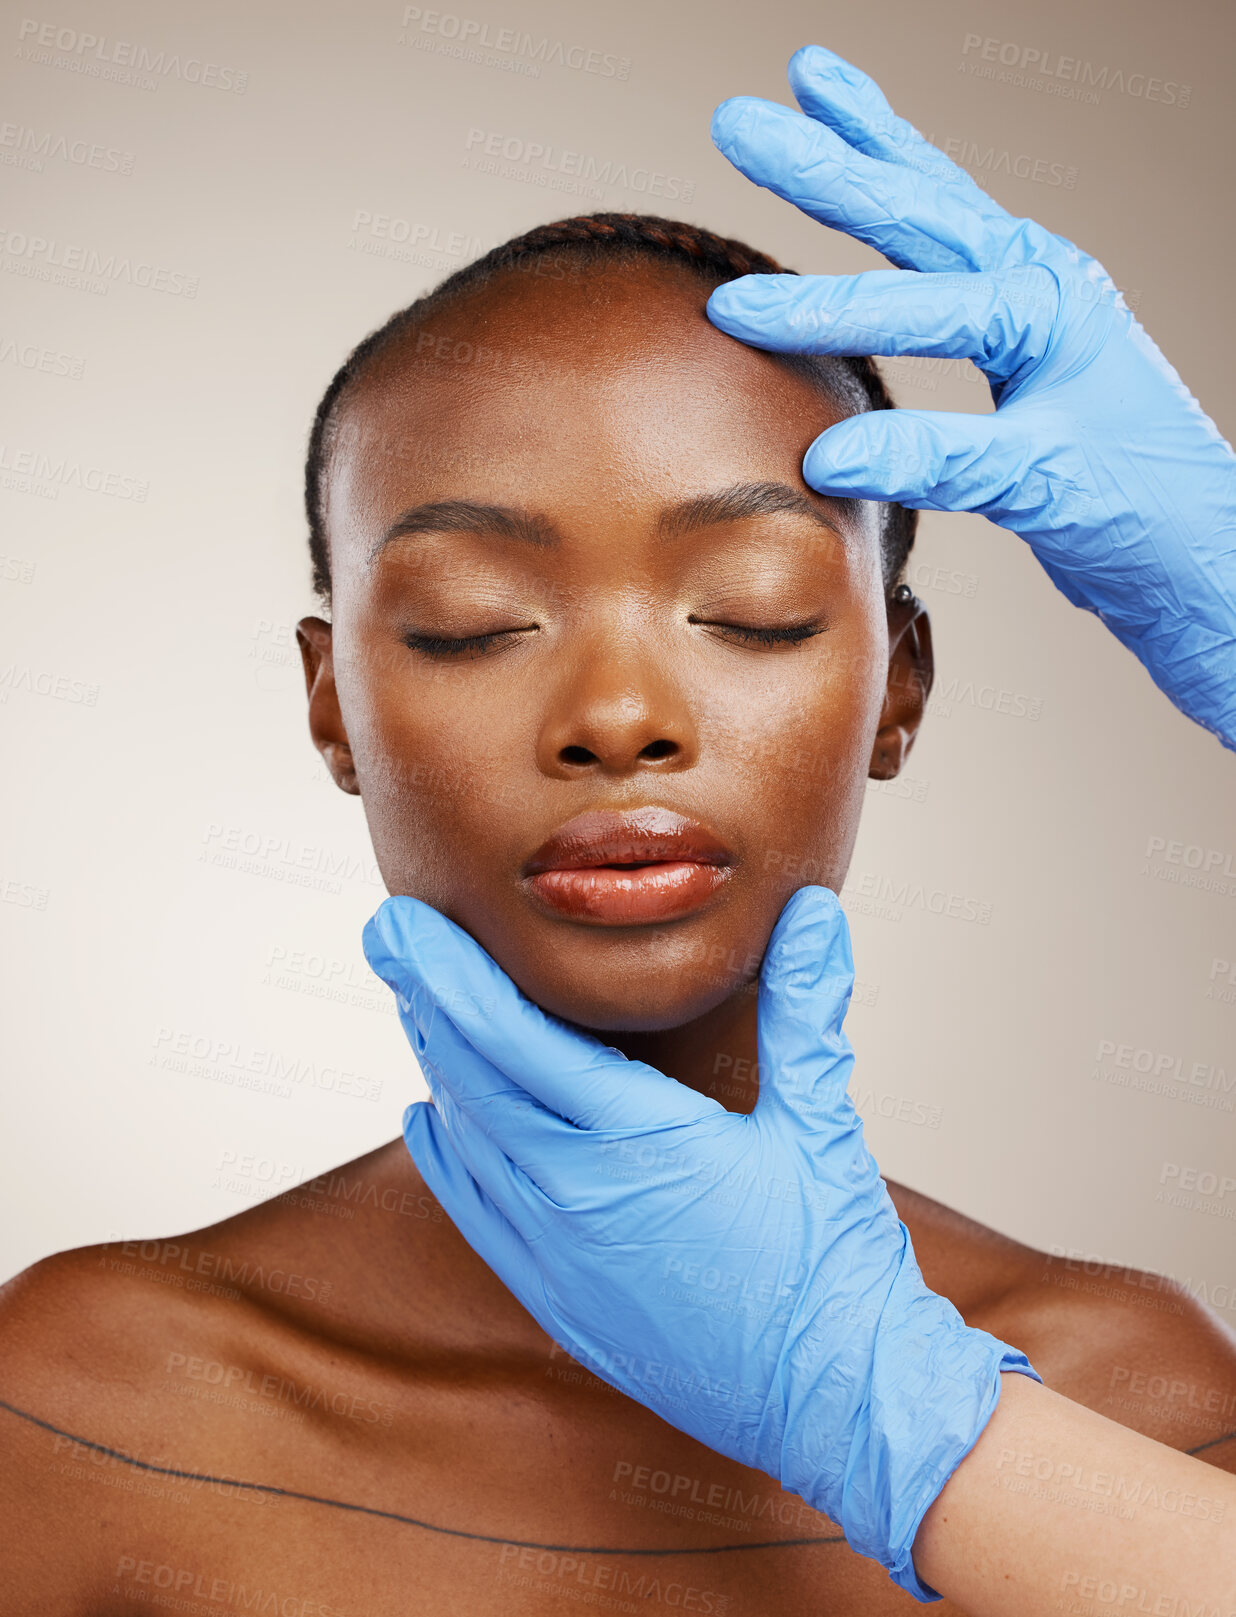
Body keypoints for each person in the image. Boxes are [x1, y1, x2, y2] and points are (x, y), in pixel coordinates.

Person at [1, 88, 1233, 1617]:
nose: (617, 717)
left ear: (897, 687)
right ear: (334, 706)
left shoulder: (1138, 1398)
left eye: (753, 606)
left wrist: (897, 1405)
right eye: (473, 622)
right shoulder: (78, 1403)